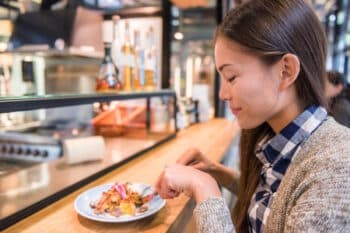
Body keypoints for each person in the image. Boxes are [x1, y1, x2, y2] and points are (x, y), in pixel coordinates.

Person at [155, 0, 350, 233]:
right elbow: (277, 202)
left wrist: (205, 189)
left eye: (232, 77)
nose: (223, 94)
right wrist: (217, 172)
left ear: (285, 70)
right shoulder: (278, 141)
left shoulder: (336, 167)